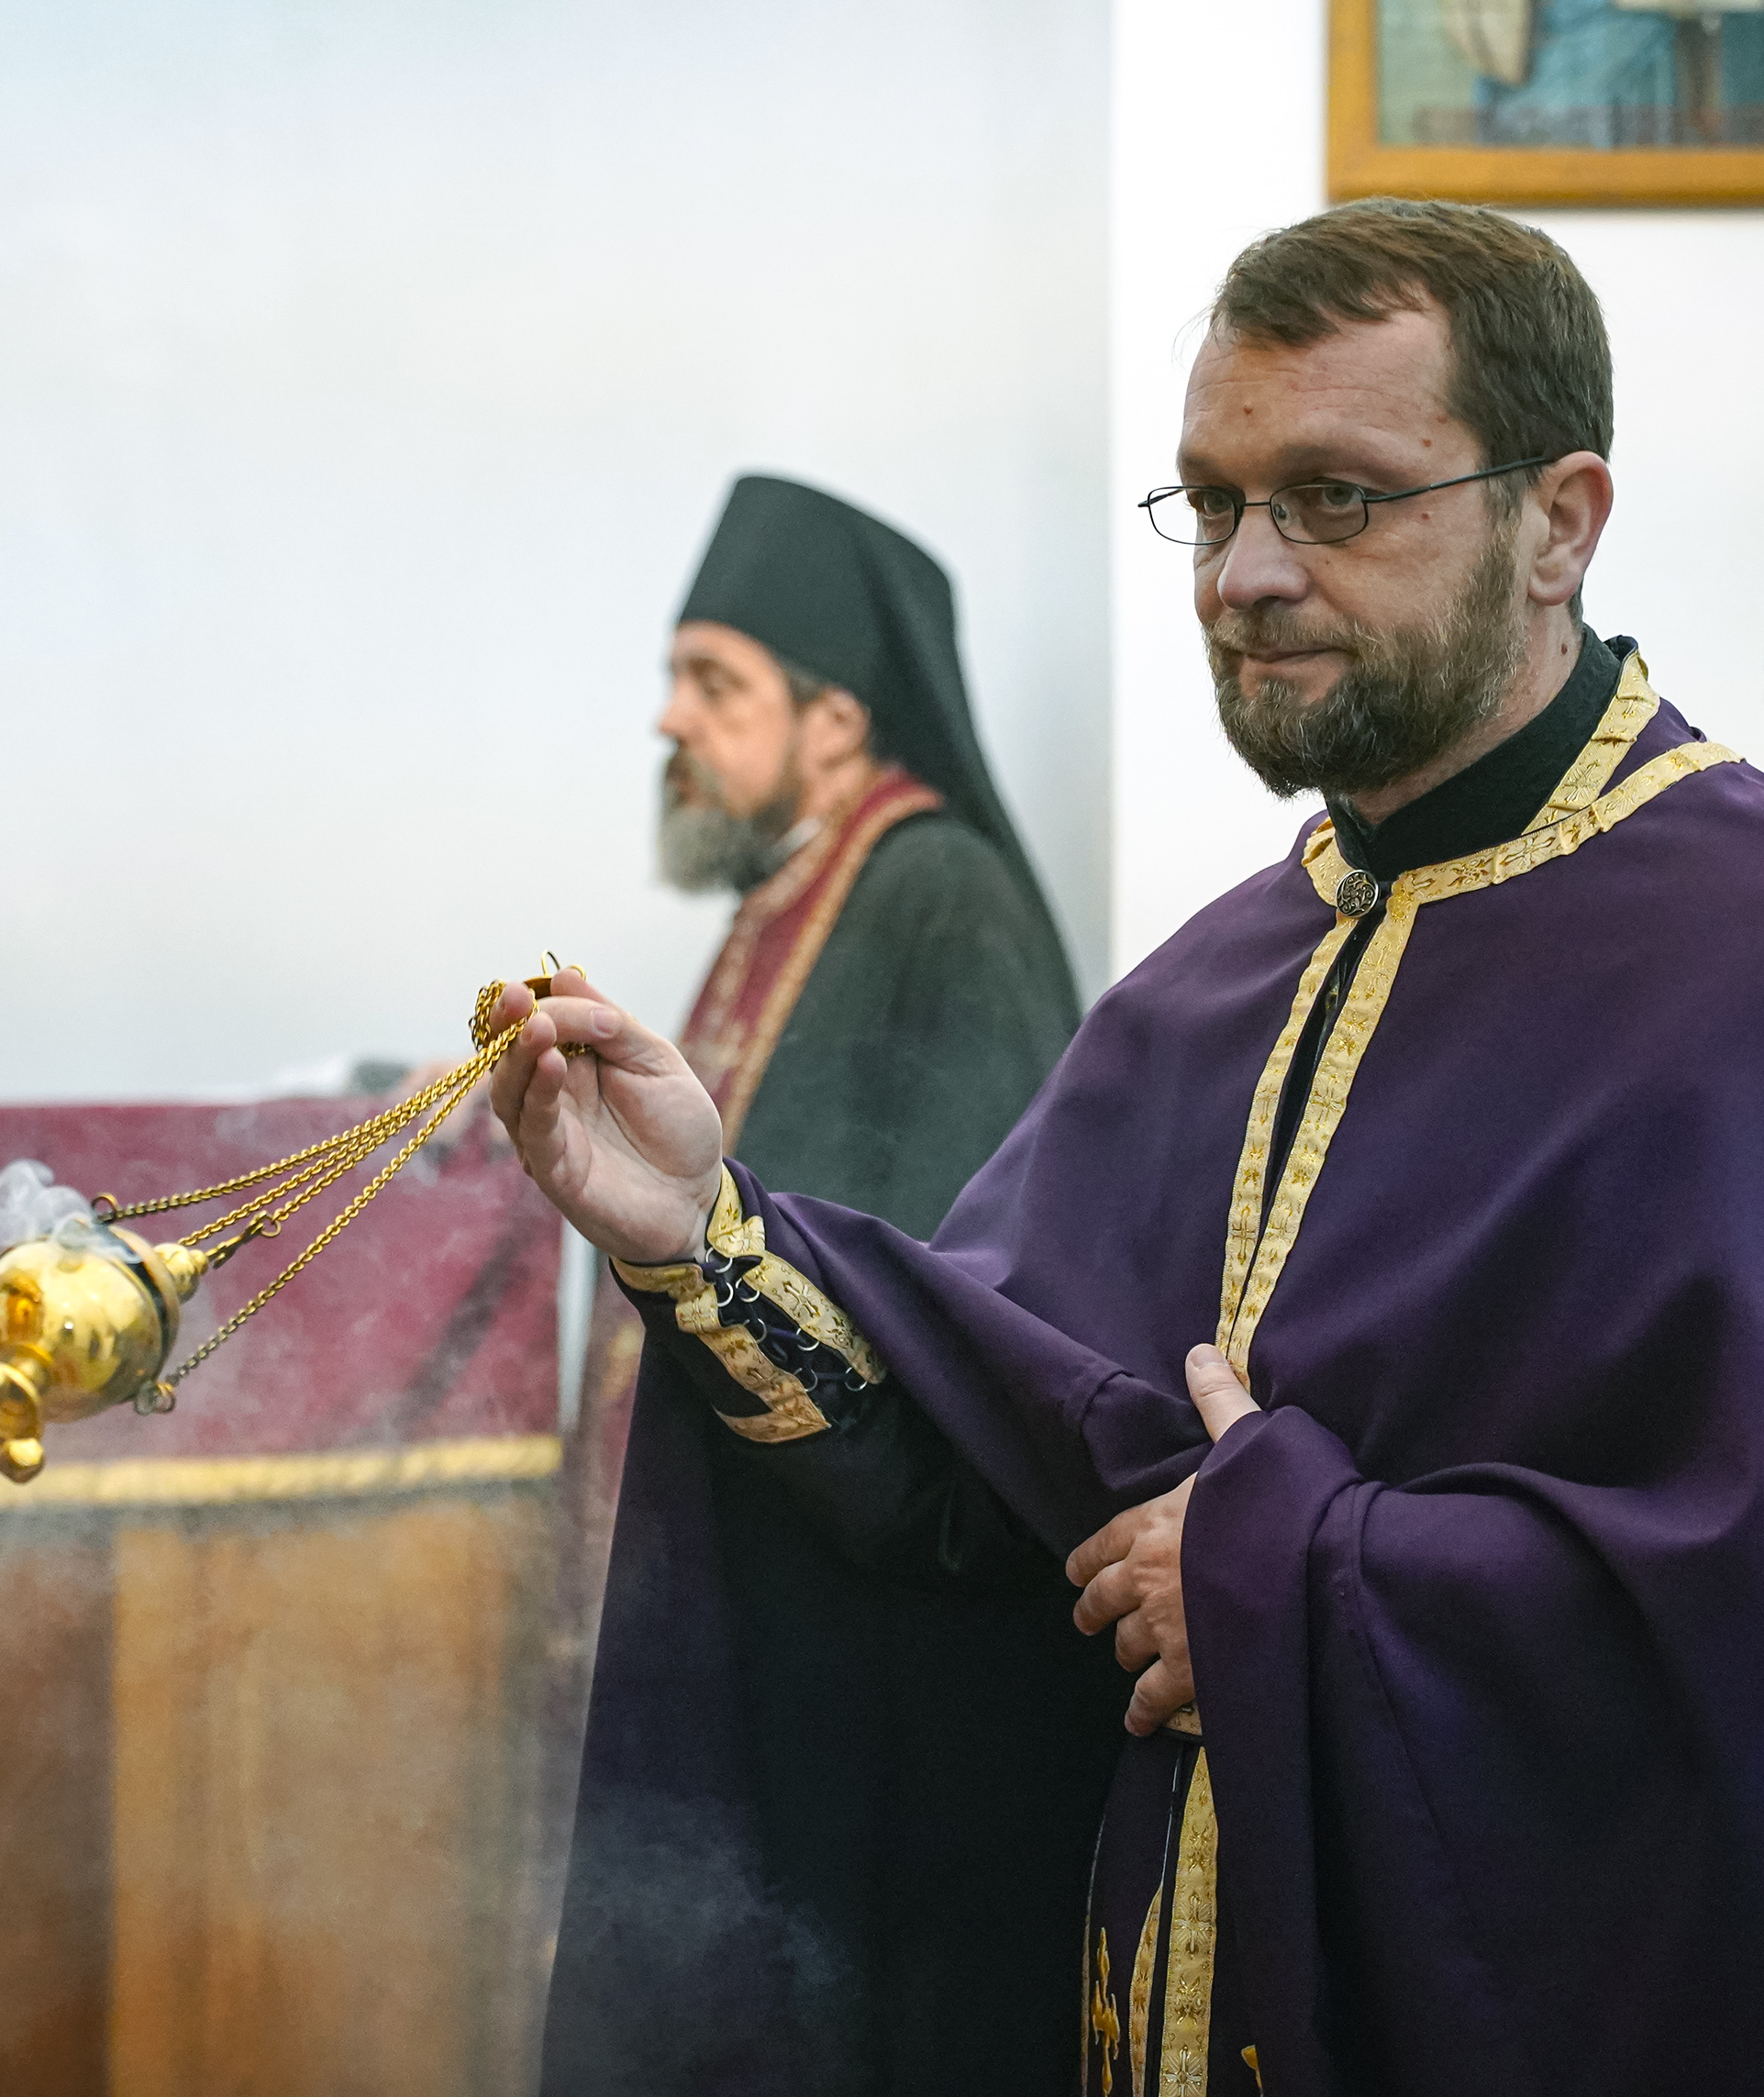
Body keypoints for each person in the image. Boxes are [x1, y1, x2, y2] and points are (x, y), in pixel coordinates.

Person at [499, 200, 1764, 2094]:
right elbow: (1003, 1460)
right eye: (1211, 502)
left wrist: (1285, 1583)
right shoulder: (1215, 983)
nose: (1247, 573)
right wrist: (697, 1232)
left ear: (1558, 524)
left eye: (1336, 497)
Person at [545, 475, 1111, 2093]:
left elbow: (959, 1285)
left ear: (840, 717)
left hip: (876, 1628)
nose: (669, 717)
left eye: (714, 681)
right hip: (767, 1580)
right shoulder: (782, 896)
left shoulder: (939, 895)